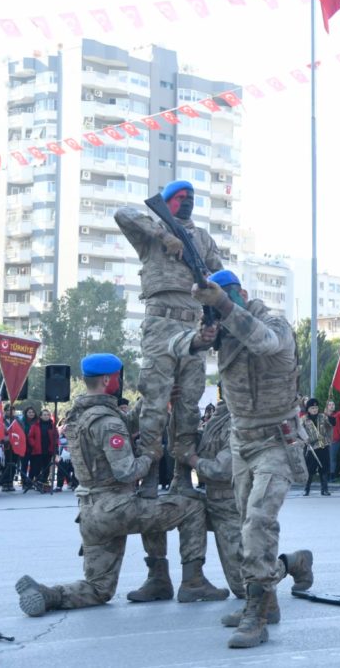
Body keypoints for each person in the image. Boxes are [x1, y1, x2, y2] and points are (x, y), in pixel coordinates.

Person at [14, 353, 220, 617]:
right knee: (190, 506)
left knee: (99, 588)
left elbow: (127, 421)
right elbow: (127, 472)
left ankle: (48, 594)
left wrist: (156, 400)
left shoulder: (80, 415)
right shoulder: (108, 421)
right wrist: (150, 455)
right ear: (108, 380)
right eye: (117, 379)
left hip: (90, 513)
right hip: (117, 508)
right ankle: (193, 582)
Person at [171, 270, 314, 649]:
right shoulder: (223, 332)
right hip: (241, 442)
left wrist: (221, 303)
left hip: (276, 441)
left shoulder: (274, 323)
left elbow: (265, 343)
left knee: (257, 525)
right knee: (240, 528)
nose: (223, 306)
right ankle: (278, 586)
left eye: (227, 297)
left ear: (242, 294)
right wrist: (198, 337)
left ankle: (256, 614)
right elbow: (174, 347)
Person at [115, 179, 223, 499]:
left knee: (188, 404)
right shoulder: (152, 232)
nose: (187, 202)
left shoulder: (202, 238)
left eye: (191, 197)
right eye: (180, 197)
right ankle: (148, 473)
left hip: (194, 324)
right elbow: (122, 214)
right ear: (167, 201)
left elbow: (220, 276)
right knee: (155, 400)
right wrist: (164, 235)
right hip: (160, 323)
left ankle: (180, 475)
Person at [187, 400, 245, 599]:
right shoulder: (219, 416)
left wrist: (192, 460)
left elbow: (222, 469)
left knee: (243, 586)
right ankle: (192, 580)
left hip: (232, 504)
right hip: (213, 499)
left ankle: (292, 563)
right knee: (182, 509)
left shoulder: (241, 420)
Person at [301, 398, 333, 497]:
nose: (315, 410)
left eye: (316, 407)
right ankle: (306, 489)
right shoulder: (304, 419)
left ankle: (324, 489)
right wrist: (304, 439)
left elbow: (330, 427)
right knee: (310, 469)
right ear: (308, 409)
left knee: (324, 468)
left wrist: (328, 439)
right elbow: (299, 431)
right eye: (312, 408)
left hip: (323, 446)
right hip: (312, 447)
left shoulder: (323, 417)